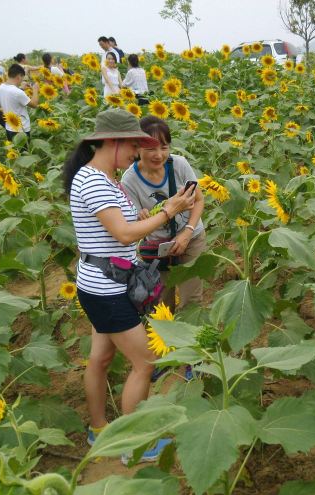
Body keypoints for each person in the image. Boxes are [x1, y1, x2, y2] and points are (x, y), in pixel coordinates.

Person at [63, 108, 195, 463]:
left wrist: (158, 209)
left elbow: (122, 221)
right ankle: (135, 446)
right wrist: (167, 213)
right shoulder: (93, 180)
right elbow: (122, 233)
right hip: (107, 289)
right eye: (134, 146)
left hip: (101, 282)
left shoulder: (103, 177)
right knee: (146, 363)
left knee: (101, 358)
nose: (137, 154)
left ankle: (100, 429)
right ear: (112, 142)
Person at [121, 116, 206, 312]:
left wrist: (187, 232)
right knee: (162, 305)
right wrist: (140, 218)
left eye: (164, 147)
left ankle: (189, 341)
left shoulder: (179, 165)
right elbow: (132, 227)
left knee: (192, 302)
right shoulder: (129, 180)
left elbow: (199, 200)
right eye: (151, 148)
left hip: (191, 239)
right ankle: (168, 342)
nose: (159, 154)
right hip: (158, 250)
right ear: (137, 148)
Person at [0, 64, 39, 141]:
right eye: (22, 79)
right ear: (19, 76)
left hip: (10, 127)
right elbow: (34, 104)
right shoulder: (17, 92)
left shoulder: (2, 86)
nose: (21, 81)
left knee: (14, 150)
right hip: (21, 130)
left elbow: (13, 96)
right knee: (23, 152)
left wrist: (21, 89)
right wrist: (35, 89)